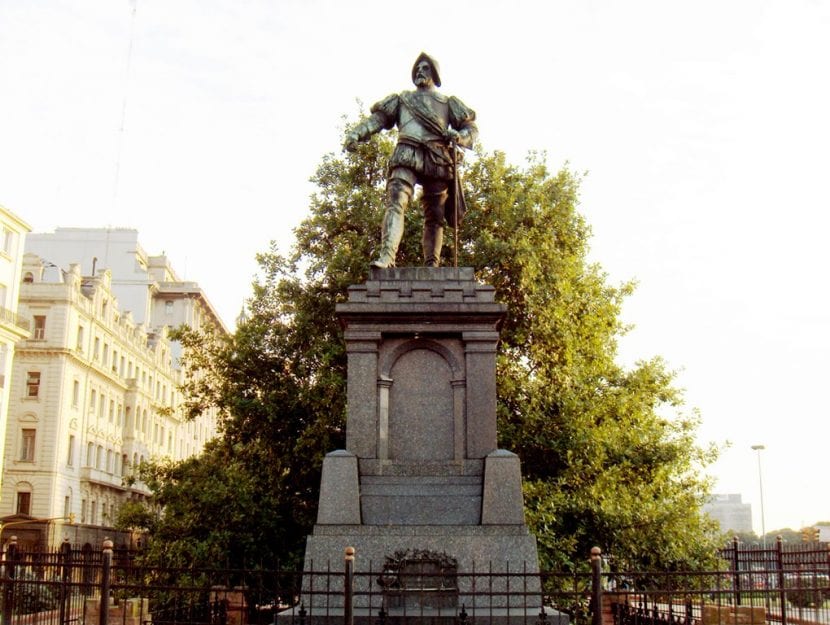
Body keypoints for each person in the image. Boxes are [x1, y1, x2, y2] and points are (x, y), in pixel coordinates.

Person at [344, 52, 478, 268]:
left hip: (437, 158)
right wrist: (357, 134)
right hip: (407, 152)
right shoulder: (402, 99)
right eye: (417, 68)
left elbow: (470, 127)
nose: (419, 71)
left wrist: (460, 137)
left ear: (434, 73)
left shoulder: (447, 103)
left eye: (425, 68)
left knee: (435, 214)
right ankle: (387, 257)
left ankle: (431, 265)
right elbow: (378, 119)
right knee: (396, 199)